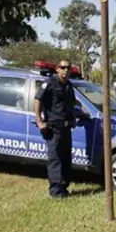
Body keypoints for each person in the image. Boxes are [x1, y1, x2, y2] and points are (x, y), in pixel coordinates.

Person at [34, 59, 77, 198]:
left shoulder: (69, 85)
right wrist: (39, 121)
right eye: (63, 67)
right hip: (54, 129)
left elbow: (71, 105)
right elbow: (37, 100)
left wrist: (74, 119)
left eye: (68, 68)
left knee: (65, 159)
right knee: (55, 160)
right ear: (57, 69)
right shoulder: (50, 83)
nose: (66, 70)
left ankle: (63, 188)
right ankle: (56, 191)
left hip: (66, 129)